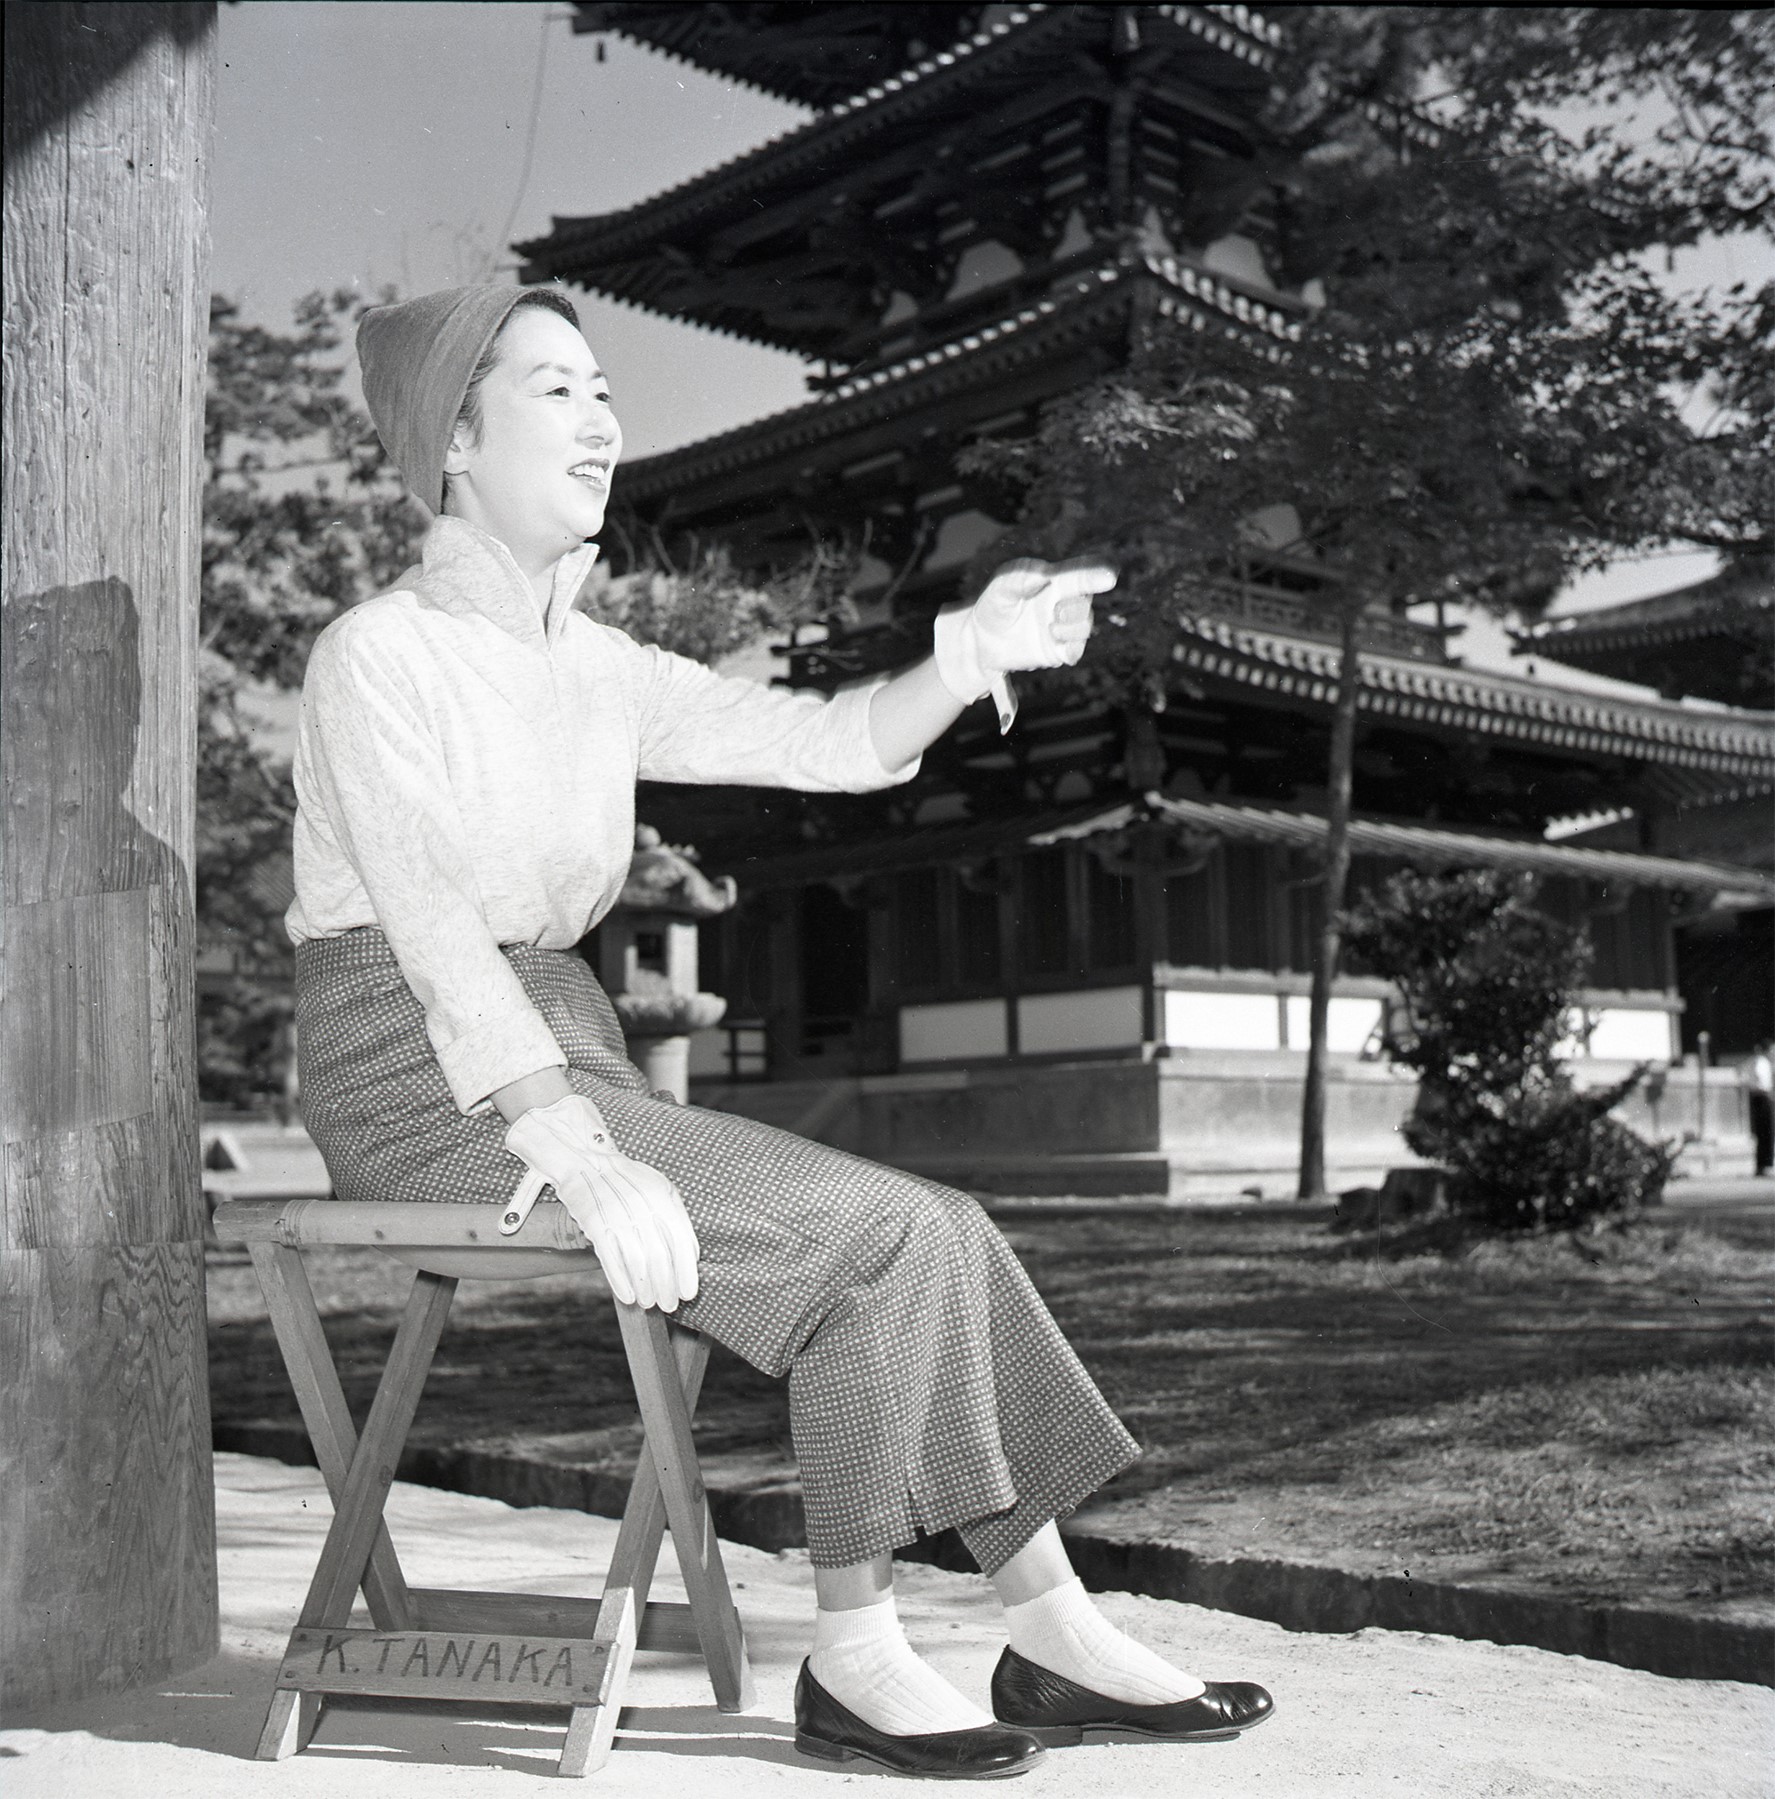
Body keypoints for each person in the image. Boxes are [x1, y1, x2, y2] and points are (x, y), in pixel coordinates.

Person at [287, 284, 1273, 1780]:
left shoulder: (595, 662)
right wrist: (569, 1143)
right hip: (412, 1065)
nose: (604, 418)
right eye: (557, 390)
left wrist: (960, 653)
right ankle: (856, 1654)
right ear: (454, 441)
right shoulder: (378, 652)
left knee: (940, 1225)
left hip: (554, 1038)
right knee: (867, 1239)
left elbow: (818, 745)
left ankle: (1052, 1626)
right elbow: (427, 927)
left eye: (605, 387)